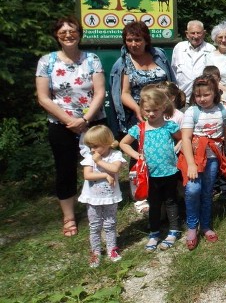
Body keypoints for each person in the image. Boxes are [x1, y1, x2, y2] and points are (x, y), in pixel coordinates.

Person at [36, 15, 106, 237]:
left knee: (99, 165)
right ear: (56, 36)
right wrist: (70, 121)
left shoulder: (92, 59)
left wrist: (84, 120)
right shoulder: (46, 62)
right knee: (65, 169)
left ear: (79, 33)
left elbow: (100, 92)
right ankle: (69, 217)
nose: (68, 35)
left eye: (72, 30)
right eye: (63, 32)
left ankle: (103, 207)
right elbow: (44, 98)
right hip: (61, 124)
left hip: (93, 122)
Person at [119, 87, 182, 251]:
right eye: (148, 110)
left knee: (171, 201)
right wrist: (137, 155)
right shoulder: (139, 128)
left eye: (155, 110)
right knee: (154, 204)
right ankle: (154, 233)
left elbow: (184, 139)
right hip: (149, 175)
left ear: (163, 107)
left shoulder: (170, 126)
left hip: (170, 171)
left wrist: (175, 151)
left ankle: (174, 230)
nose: (152, 114)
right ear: (142, 109)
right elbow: (123, 143)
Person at [178, 75, 226, 250]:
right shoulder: (192, 112)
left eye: (206, 95)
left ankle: (206, 225)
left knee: (208, 192)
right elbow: (186, 138)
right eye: (198, 95)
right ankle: (192, 227)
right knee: (193, 190)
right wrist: (191, 163)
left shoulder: (223, 111)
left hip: (213, 158)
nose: (202, 99)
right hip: (194, 158)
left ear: (214, 93)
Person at [110, 21, 174, 136]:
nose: (133, 44)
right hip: (140, 114)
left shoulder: (159, 55)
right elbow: (124, 93)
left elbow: (170, 82)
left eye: (138, 40)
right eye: (129, 40)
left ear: (146, 40)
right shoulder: (123, 63)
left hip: (164, 111)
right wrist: (138, 109)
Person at [79, 125, 125, 267]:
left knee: (110, 224)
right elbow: (87, 175)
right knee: (95, 225)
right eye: (90, 146)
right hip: (92, 198)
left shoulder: (115, 155)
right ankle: (96, 252)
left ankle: (112, 249)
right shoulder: (89, 157)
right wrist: (105, 175)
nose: (92, 150)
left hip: (110, 197)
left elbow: (115, 168)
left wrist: (99, 162)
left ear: (106, 142)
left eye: (95, 146)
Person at [171, 20, 215, 101]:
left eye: (199, 33)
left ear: (204, 33)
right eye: (192, 33)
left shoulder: (211, 49)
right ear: (187, 34)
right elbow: (173, 71)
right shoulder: (179, 48)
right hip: (182, 98)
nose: (196, 36)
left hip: (203, 98)